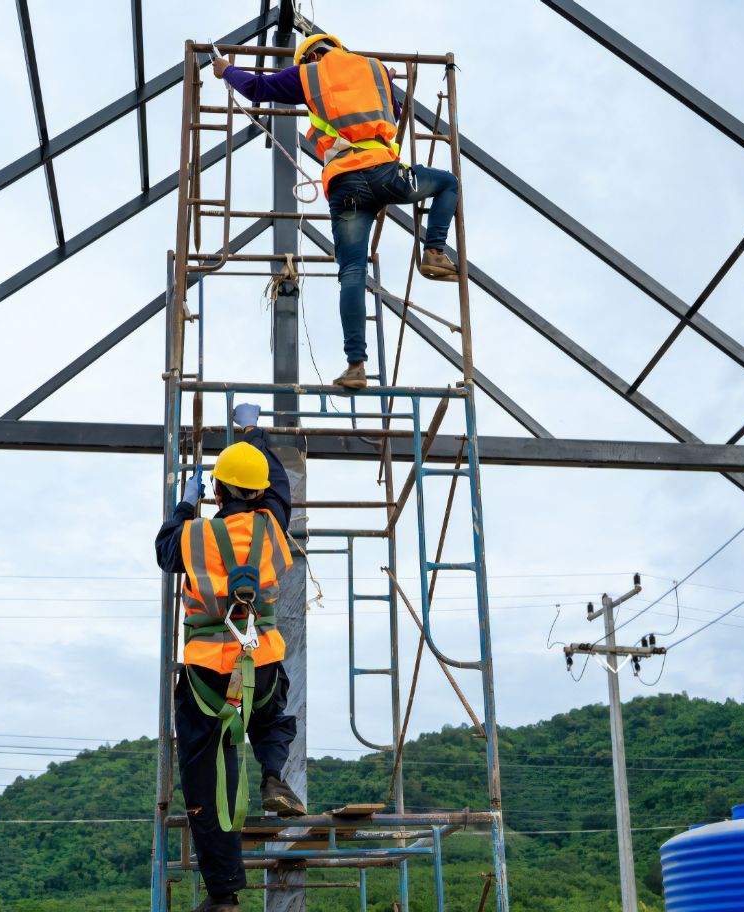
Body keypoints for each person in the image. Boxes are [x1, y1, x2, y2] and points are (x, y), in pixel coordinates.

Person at [213, 34, 461, 391]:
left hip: (346, 186)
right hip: (386, 173)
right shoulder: (376, 71)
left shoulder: (310, 74)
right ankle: (435, 252)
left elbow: (257, 88)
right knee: (447, 183)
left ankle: (356, 365)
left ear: (312, 55)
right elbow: (397, 111)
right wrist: (387, 82)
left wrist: (225, 70)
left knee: (352, 272)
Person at [154, 403, 305, 912]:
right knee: (273, 720)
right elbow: (279, 489)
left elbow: (164, 549)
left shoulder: (194, 536)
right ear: (260, 494)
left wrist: (184, 506)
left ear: (217, 492)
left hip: (206, 677)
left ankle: (223, 896)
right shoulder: (273, 529)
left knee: (205, 775)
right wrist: (252, 433)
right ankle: (272, 775)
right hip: (261, 662)